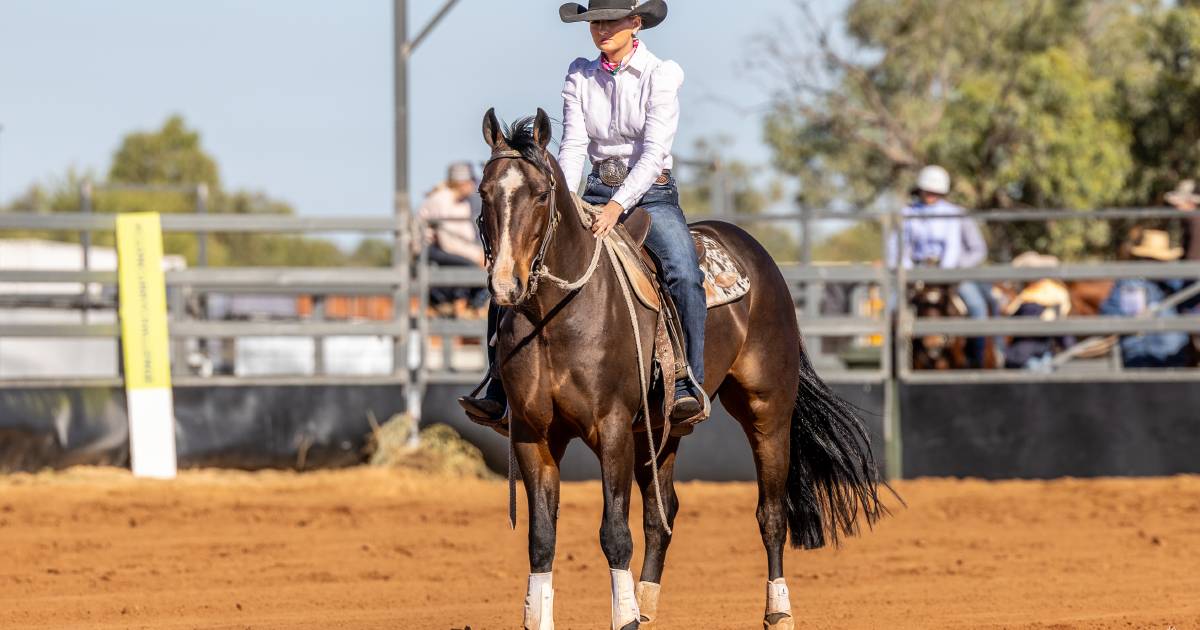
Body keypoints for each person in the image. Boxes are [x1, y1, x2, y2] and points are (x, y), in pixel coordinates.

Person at [462, 0, 708, 426]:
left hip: (650, 193)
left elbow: (653, 155)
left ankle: (688, 381)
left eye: (609, 21)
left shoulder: (661, 74)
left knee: (683, 271)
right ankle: (499, 385)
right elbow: (573, 145)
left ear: (636, 24)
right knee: (519, 268)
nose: (600, 30)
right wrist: (567, 199)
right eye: (594, 22)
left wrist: (616, 206)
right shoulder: (580, 73)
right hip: (592, 190)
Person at [889, 165, 994, 367]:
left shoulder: (958, 214)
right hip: (916, 275)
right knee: (893, 309)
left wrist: (957, 267)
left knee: (976, 306)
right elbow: (895, 249)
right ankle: (894, 366)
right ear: (919, 189)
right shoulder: (907, 215)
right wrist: (906, 268)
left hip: (952, 274)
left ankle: (977, 361)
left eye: (935, 192)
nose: (931, 195)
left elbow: (978, 250)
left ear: (943, 192)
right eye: (927, 191)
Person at [1099, 229, 1191, 368]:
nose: (1159, 264)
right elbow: (1110, 311)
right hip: (1141, 355)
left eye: (1161, 260)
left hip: (1173, 356)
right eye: (1153, 259)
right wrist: (1131, 321)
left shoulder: (1173, 282)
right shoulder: (1130, 283)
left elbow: (1191, 300)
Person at [417, 162, 489, 317]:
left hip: (446, 248)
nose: (473, 185)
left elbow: (464, 237)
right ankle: (463, 306)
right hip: (429, 248)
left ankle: (469, 305)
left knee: (482, 267)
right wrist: (476, 255)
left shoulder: (462, 203)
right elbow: (447, 241)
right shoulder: (441, 200)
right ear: (461, 183)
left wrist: (478, 254)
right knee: (469, 266)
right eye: (470, 181)